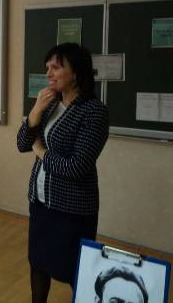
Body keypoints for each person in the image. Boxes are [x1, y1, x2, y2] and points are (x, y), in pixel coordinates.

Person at [17, 43, 109, 303]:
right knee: (38, 263)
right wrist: (35, 112)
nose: (49, 73)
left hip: (72, 210)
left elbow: (76, 167)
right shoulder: (49, 105)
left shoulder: (94, 111)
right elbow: (22, 144)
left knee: (75, 270)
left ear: (76, 73)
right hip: (40, 201)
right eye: (47, 67)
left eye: (56, 67)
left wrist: (41, 151)